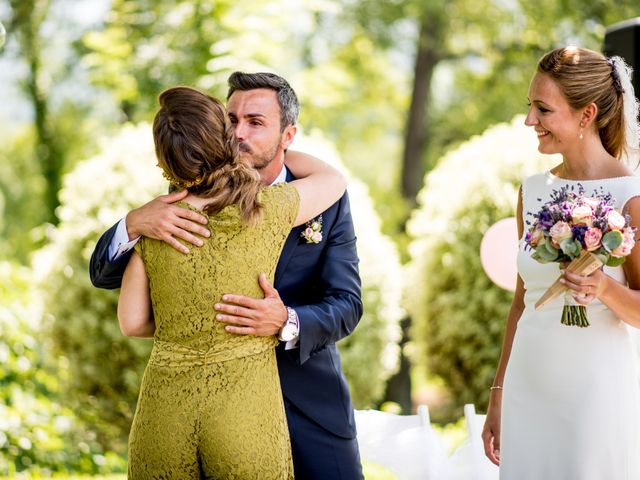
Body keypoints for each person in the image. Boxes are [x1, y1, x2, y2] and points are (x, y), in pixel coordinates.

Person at [90, 72, 364, 479]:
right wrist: (132, 223)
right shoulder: (167, 207)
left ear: (288, 134)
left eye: (255, 122)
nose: (239, 132)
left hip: (308, 407)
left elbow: (348, 304)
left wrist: (286, 322)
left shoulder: (325, 203)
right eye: (230, 119)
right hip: (220, 414)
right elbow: (102, 272)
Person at [482, 46, 640, 479]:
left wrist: (604, 289)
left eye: (543, 109)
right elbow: (521, 303)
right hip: (528, 387)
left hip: (595, 394)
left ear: (586, 115)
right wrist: (499, 393)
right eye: (530, 107)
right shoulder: (531, 190)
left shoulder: (632, 197)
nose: (529, 120)